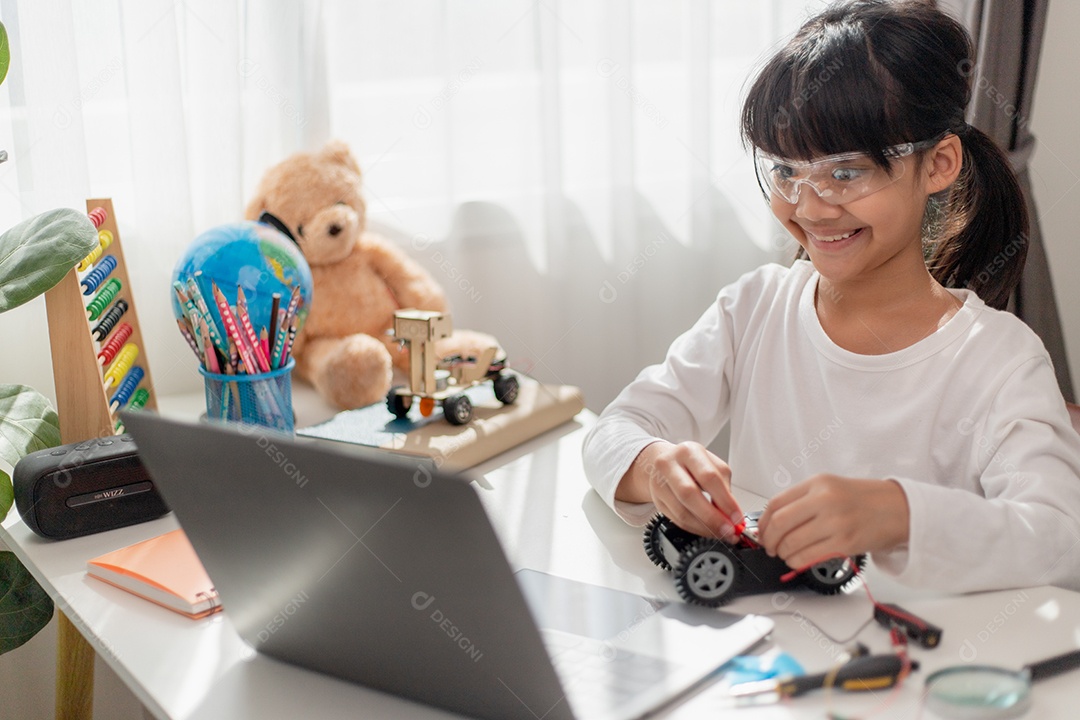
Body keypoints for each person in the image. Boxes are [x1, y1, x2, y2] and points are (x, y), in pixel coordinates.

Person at [582, 0, 1080, 594]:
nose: (810, 205)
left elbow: (1058, 539)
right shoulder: (755, 308)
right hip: (767, 650)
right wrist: (653, 467)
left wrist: (898, 514)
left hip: (913, 664)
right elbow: (618, 427)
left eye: (846, 173)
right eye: (787, 172)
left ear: (939, 163)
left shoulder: (998, 358)